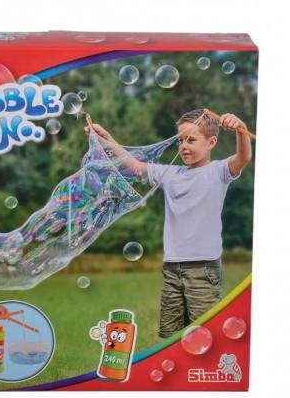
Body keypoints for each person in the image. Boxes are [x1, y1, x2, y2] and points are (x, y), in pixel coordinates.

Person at [84, 108, 252, 338]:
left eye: (191, 140)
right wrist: (105, 138)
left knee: (205, 332)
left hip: (203, 269)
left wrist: (241, 129)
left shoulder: (218, 171)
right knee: (169, 336)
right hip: (172, 268)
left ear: (211, 142)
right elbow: (132, 165)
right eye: (180, 140)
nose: (183, 146)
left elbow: (243, 158)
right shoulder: (171, 173)